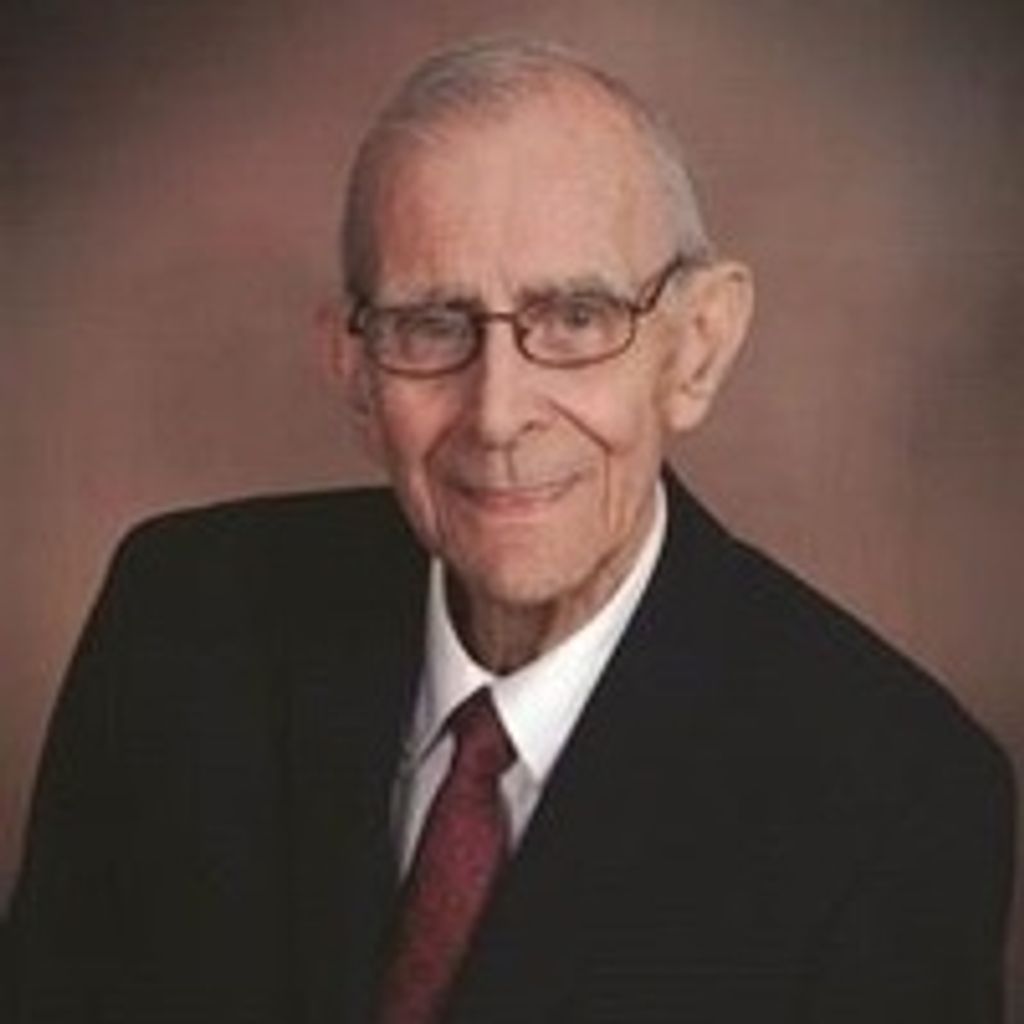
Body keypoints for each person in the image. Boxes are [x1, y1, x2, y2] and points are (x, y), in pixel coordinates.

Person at [8, 38, 1014, 1024]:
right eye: (431, 324)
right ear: (354, 371)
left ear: (696, 349)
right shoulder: (180, 619)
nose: (496, 415)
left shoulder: (896, 797)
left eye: (575, 318)